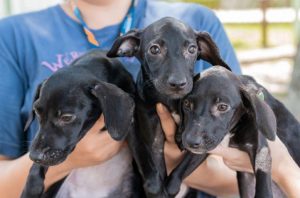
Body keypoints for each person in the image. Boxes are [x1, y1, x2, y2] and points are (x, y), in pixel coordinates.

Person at [0, 0, 298, 197]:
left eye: (189, 53)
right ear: (130, 48)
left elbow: (241, 155)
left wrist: (176, 165)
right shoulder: (14, 36)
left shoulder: (196, 20)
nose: (179, 76)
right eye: (155, 50)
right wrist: (68, 160)